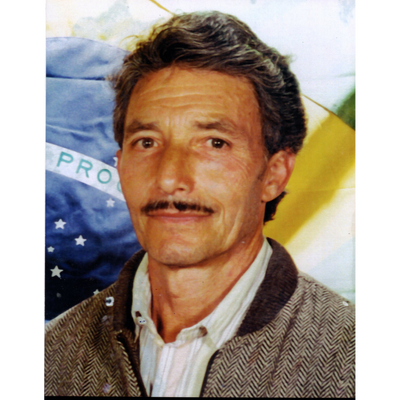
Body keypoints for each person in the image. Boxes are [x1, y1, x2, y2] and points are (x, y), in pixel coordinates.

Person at [44, 11, 358, 398]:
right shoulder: (52, 354)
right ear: (120, 166)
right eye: (147, 142)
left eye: (214, 143)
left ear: (274, 174)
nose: (169, 177)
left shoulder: (347, 357)